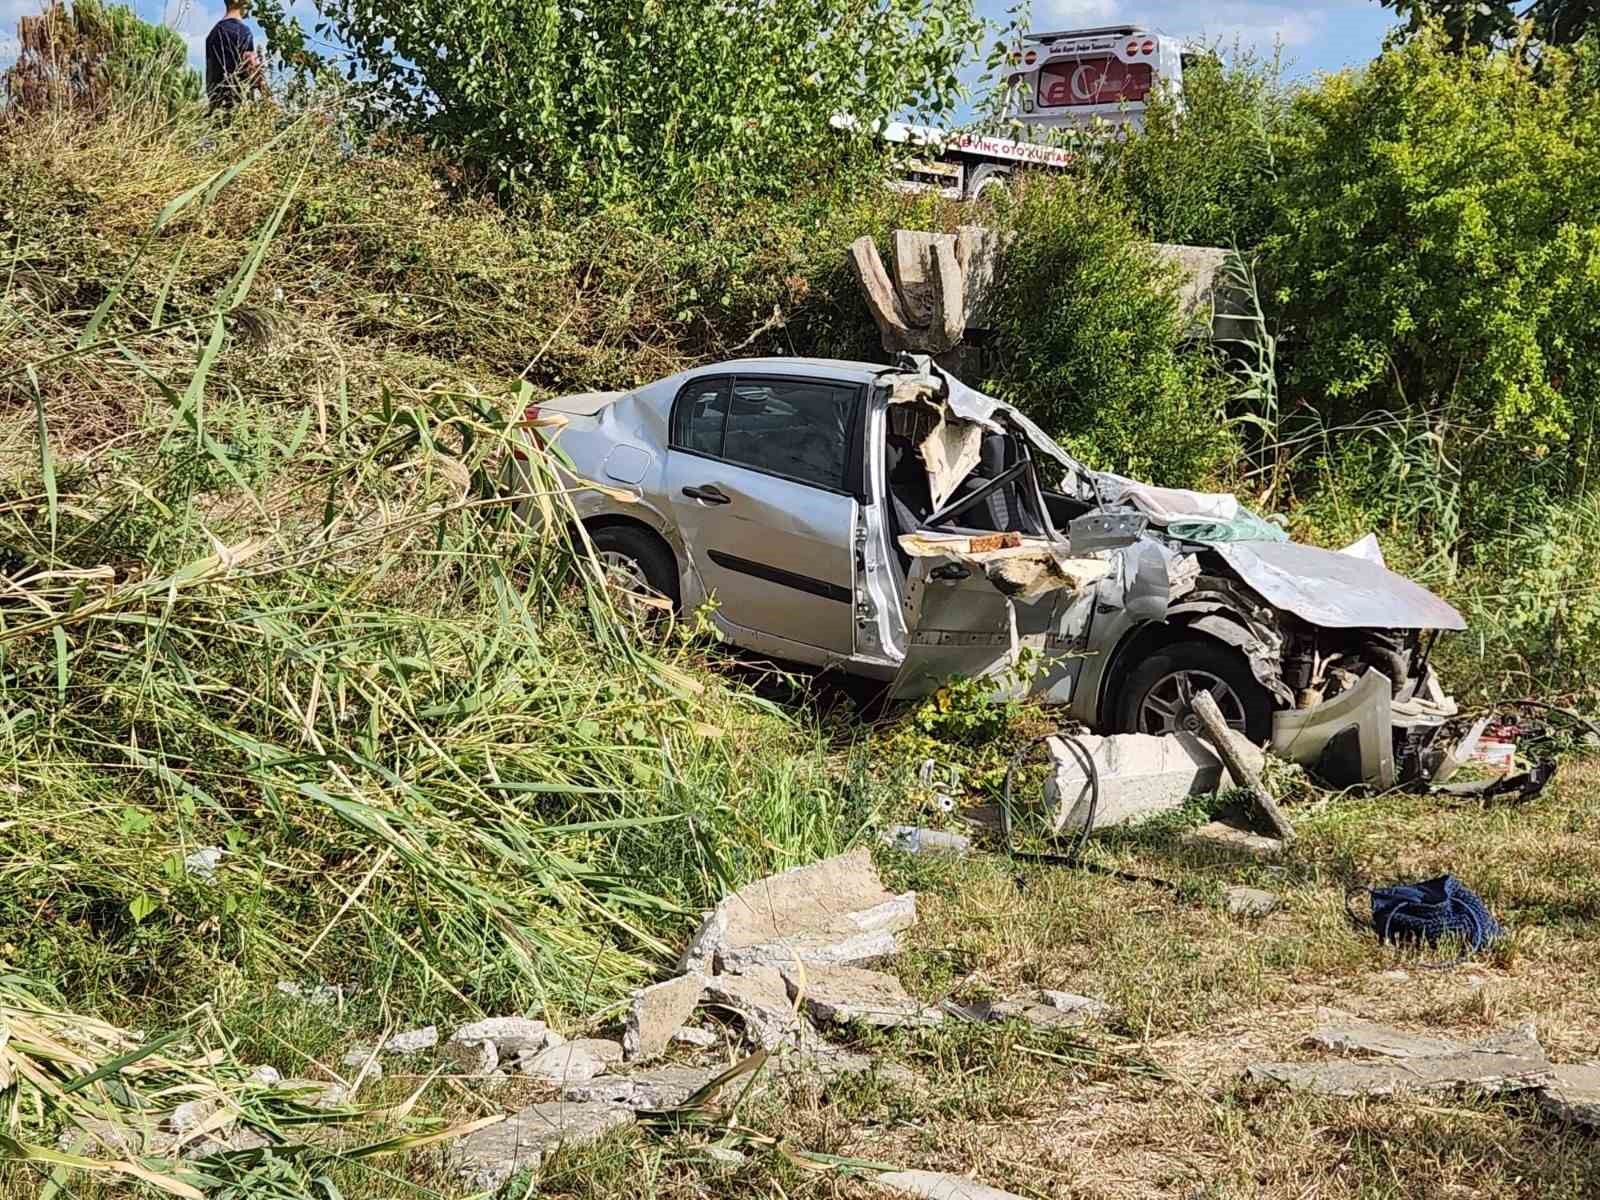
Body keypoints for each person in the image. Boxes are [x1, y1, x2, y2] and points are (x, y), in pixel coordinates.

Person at [205, 1, 267, 111]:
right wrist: (267, 96)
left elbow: (210, 73)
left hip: (216, 104)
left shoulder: (212, 34)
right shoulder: (242, 31)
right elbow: (252, 66)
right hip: (237, 103)